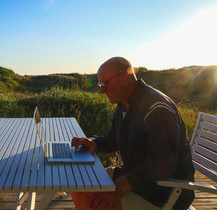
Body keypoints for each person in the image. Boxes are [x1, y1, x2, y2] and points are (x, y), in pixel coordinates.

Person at [71, 57, 195, 210]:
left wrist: (119, 187)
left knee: (98, 202)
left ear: (124, 78)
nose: (102, 90)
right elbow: (114, 138)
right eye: (100, 84)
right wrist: (94, 143)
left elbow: (163, 164)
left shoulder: (157, 108)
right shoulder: (124, 103)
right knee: (79, 186)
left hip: (162, 192)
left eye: (105, 84)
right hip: (136, 179)